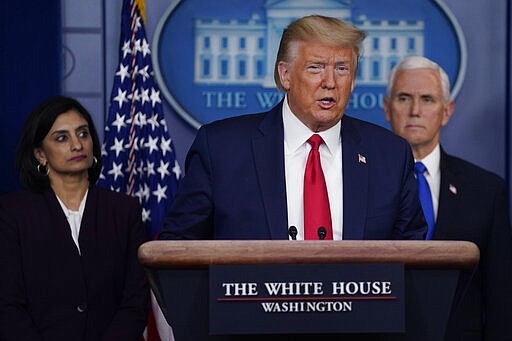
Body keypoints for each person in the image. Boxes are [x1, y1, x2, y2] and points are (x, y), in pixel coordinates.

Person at [159, 15, 426, 241]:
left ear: (353, 80)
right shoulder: (221, 149)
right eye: (316, 68)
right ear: (285, 75)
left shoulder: (389, 155)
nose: (330, 82)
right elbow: (178, 249)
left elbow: (414, 261)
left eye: (342, 69)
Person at [0, 96, 150, 340]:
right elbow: (8, 306)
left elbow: (135, 302)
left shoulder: (124, 210)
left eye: (83, 134)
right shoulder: (13, 213)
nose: (77, 145)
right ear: (40, 154)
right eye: (62, 138)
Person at [384, 55, 512, 340]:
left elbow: (500, 296)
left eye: (427, 99)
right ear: (387, 108)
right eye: (404, 98)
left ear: (447, 111)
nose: (415, 110)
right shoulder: (361, 184)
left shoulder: (487, 190)